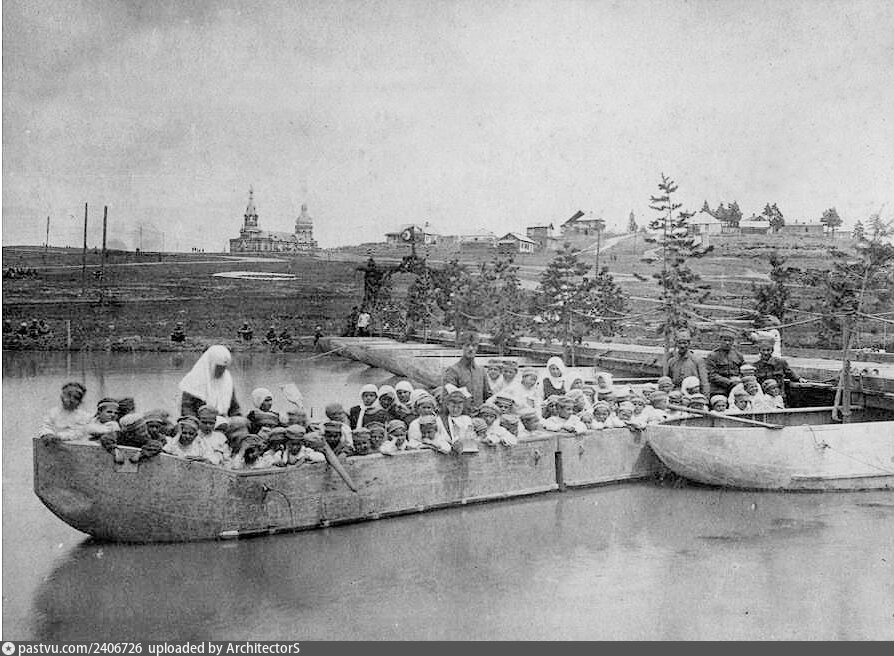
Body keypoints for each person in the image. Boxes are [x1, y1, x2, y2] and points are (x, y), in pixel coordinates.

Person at [178, 345, 240, 418]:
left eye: (224, 368)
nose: (221, 371)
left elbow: (234, 408)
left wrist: (238, 418)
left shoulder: (227, 380)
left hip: (222, 421)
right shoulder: (193, 381)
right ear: (210, 364)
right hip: (198, 421)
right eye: (219, 367)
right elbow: (187, 409)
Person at [442, 331, 490, 410]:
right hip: (460, 414)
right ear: (462, 347)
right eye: (467, 345)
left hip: (479, 414)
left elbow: (487, 396)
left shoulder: (481, 371)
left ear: (477, 348)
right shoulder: (453, 371)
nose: (471, 349)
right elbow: (447, 399)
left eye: (474, 345)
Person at [666, 329, 709, 394]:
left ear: (689, 344)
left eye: (685, 343)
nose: (682, 346)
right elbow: (668, 381)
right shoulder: (672, 361)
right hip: (676, 394)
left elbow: (704, 382)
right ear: (676, 344)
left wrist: (704, 397)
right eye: (680, 343)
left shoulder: (697, 360)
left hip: (693, 394)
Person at [706, 332, 744, 397]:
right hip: (719, 388)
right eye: (725, 340)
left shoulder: (738, 355)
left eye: (730, 340)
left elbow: (743, 370)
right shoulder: (713, 355)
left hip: (736, 385)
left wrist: (739, 379)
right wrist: (728, 381)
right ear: (720, 340)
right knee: (720, 400)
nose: (727, 343)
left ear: (733, 342)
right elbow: (711, 375)